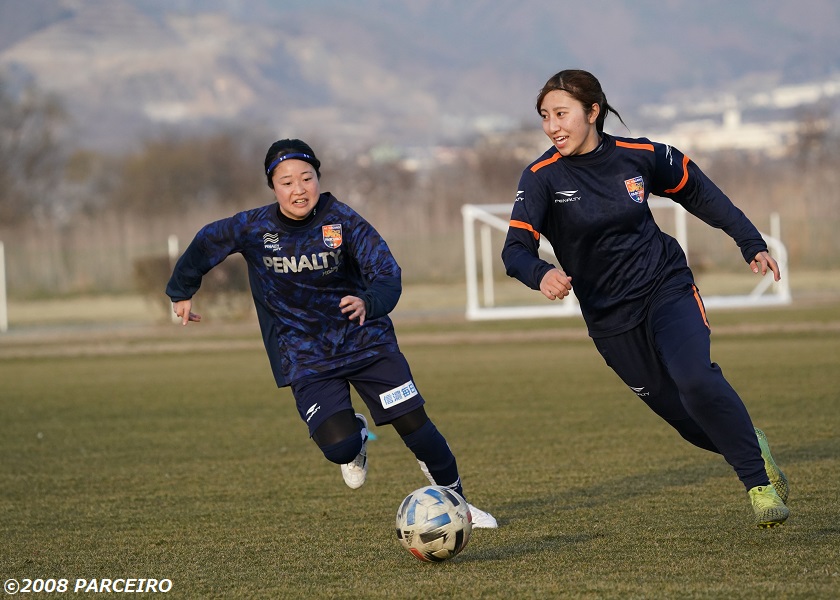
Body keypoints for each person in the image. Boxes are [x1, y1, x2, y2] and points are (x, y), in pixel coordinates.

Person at [501, 69, 790, 528]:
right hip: (610, 318)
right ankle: (749, 439)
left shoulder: (640, 156)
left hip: (665, 288)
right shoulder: (540, 178)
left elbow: (699, 192)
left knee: (696, 382)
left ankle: (758, 485)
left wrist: (749, 241)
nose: (552, 126)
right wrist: (541, 274)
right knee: (685, 418)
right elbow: (514, 251)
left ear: (593, 112)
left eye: (562, 114)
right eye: (544, 117)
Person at [166, 138, 497, 528]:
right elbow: (207, 240)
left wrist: (368, 303)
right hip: (306, 355)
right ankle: (356, 437)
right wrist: (181, 290)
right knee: (340, 448)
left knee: (415, 427)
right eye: (286, 181)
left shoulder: (342, 220)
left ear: (318, 179)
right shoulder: (253, 227)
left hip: (366, 342)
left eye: (306, 178)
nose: (298, 189)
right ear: (273, 186)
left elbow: (388, 273)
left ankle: (459, 506)